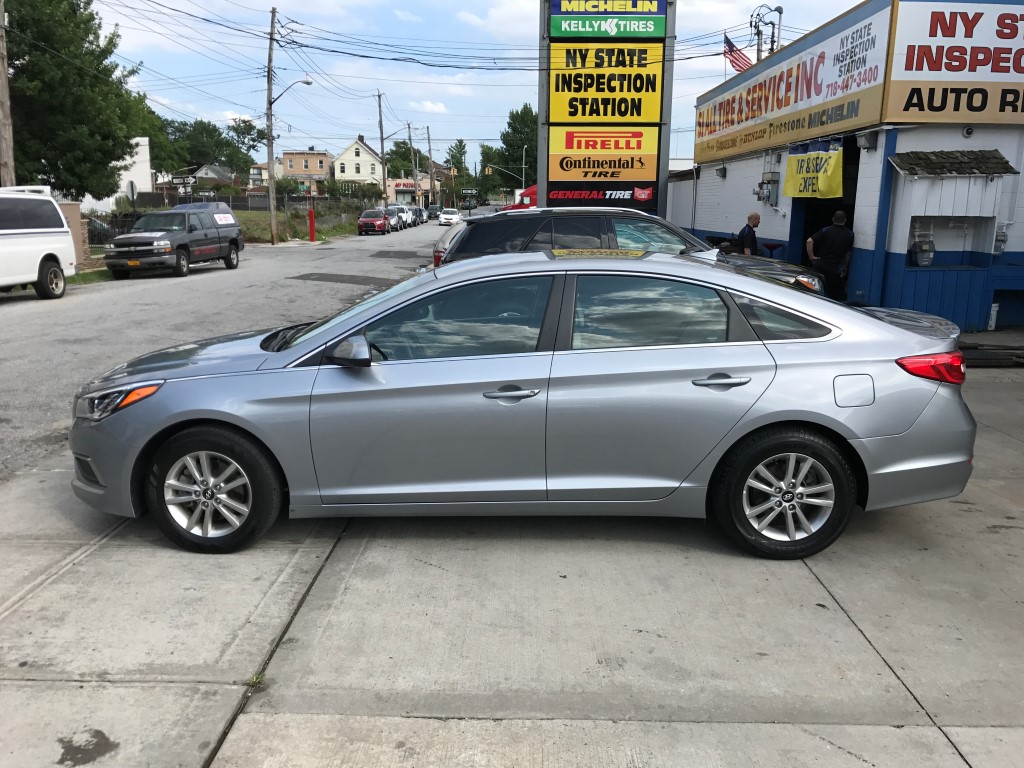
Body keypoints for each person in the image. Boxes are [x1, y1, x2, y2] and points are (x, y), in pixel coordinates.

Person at [806, 210, 854, 301]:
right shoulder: (850, 234)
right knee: (832, 295)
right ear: (845, 220)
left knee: (815, 290)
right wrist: (845, 268)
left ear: (833, 219)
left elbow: (809, 241)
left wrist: (811, 257)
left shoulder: (825, 230)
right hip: (836, 269)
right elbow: (848, 253)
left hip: (821, 265)